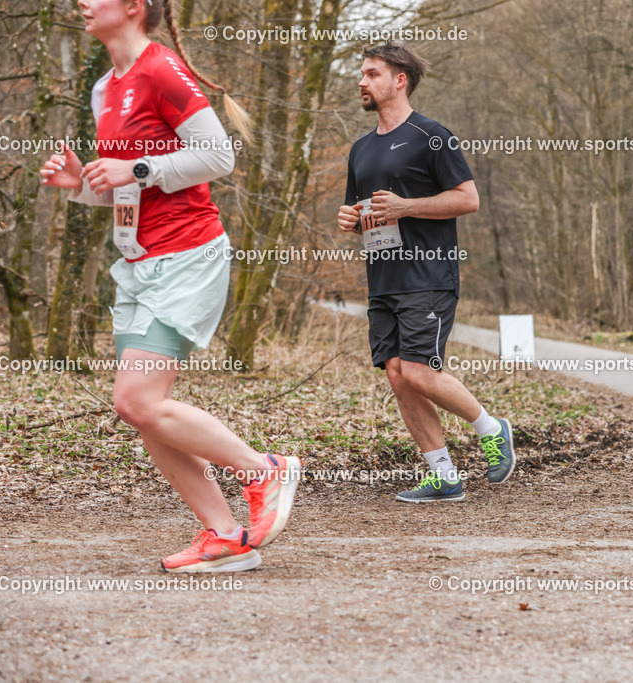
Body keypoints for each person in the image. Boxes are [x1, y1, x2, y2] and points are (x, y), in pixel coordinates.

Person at [40, 0, 299, 571]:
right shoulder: (106, 87)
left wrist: (135, 169)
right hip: (135, 261)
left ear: (134, 6)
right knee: (142, 409)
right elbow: (127, 184)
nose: (81, 3)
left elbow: (218, 155)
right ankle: (226, 535)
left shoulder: (162, 69)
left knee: (136, 400)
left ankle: (264, 470)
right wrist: (82, 186)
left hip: (186, 254)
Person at [336, 44, 516, 502]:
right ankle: (443, 474)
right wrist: (351, 220)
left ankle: (492, 428)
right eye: (361, 74)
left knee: (418, 371)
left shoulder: (432, 135)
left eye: (372, 74)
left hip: (428, 276)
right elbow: (365, 212)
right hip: (384, 280)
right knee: (397, 373)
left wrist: (407, 206)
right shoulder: (360, 149)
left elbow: (467, 199)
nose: (362, 81)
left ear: (400, 81)